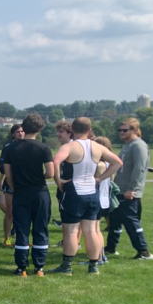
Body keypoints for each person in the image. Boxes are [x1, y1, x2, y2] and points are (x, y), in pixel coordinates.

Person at [48, 118, 122, 275]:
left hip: (74, 192)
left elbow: (55, 161)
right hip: (92, 192)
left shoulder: (69, 146)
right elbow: (117, 162)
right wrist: (101, 179)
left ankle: (67, 267)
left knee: (71, 231)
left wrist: (58, 180)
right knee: (91, 231)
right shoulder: (97, 146)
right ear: (89, 130)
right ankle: (93, 266)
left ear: (72, 129)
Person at [4, 114, 55, 277]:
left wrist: (15, 187)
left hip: (21, 193)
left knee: (22, 230)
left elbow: (8, 175)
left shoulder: (11, 148)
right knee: (40, 229)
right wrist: (39, 177)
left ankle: (21, 268)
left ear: (23, 128)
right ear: (40, 129)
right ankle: (39, 268)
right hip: (40, 193)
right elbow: (50, 172)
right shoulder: (44, 148)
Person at [105, 117, 153, 260]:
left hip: (129, 192)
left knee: (131, 221)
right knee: (115, 221)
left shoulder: (138, 145)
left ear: (134, 130)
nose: (121, 132)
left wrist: (132, 189)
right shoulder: (127, 145)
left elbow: (140, 168)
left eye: (124, 130)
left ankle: (144, 252)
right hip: (119, 190)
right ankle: (111, 248)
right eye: (119, 130)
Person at [0, 124, 24, 247]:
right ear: (13, 134)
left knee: (24, 212)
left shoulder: (28, 146)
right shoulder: (7, 147)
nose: (21, 133)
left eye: (22, 131)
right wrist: (0, 180)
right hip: (10, 182)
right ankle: (7, 239)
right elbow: (2, 167)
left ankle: (21, 238)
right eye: (18, 131)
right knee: (10, 212)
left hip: (24, 182)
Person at [93, 136, 119, 259]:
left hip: (97, 199)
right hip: (105, 199)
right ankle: (101, 256)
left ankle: (98, 257)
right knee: (97, 230)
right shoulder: (110, 163)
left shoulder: (100, 165)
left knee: (95, 230)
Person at [52, 120, 73, 236]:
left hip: (71, 186)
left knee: (72, 218)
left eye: (61, 131)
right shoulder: (65, 146)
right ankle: (69, 241)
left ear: (70, 133)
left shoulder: (72, 146)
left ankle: (75, 242)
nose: (58, 134)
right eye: (57, 131)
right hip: (63, 186)